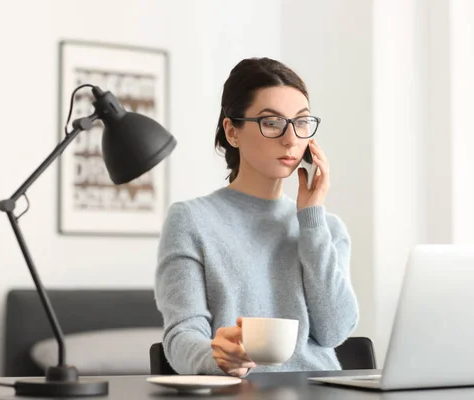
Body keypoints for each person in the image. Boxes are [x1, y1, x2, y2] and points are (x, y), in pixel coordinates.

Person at [154, 57, 359, 377]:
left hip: (321, 390)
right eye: (272, 122)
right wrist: (216, 357)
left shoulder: (325, 227)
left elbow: (334, 331)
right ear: (232, 132)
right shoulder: (191, 220)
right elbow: (182, 336)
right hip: (239, 391)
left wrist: (311, 219)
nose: (291, 138)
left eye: (301, 122)